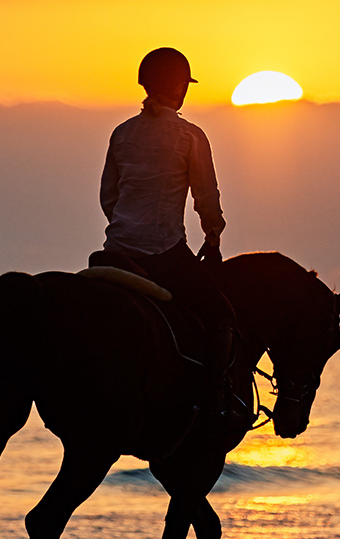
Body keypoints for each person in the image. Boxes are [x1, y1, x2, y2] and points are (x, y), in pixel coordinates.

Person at [97, 47, 241, 423]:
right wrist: (213, 235)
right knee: (221, 314)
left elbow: (108, 197)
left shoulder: (122, 133)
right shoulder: (190, 136)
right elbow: (206, 197)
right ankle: (213, 400)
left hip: (115, 252)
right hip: (162, 253)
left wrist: (126, 226)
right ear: (179, 87)